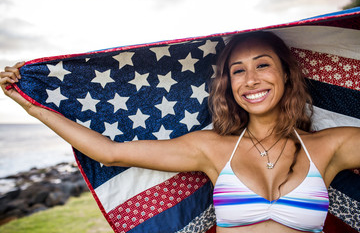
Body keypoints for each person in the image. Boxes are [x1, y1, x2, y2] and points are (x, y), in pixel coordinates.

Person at [1, 31, 359, 233]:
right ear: (227, 83)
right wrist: (31, 105)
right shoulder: (211, 149)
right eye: (237, 70)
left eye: (262, 65)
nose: (251, 79)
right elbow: (108, 152)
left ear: (285, 74)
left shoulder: (331, 145)